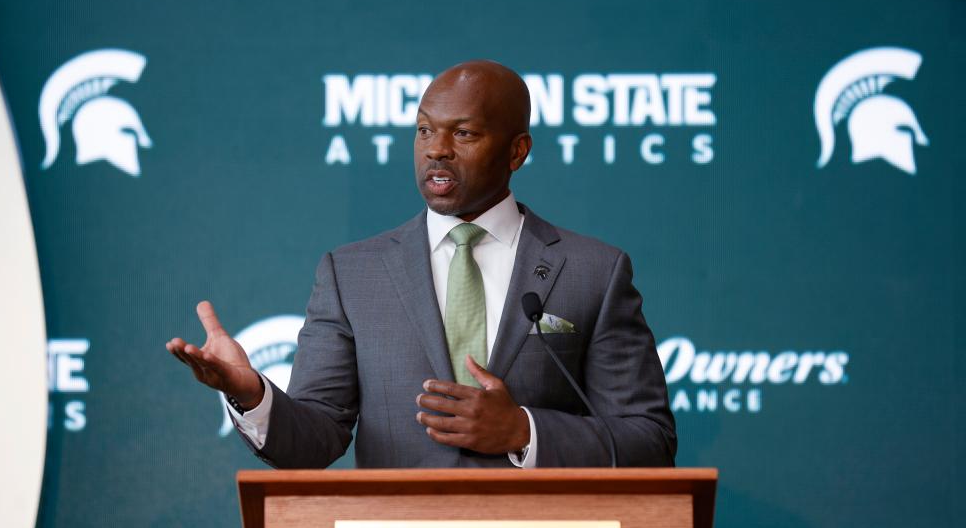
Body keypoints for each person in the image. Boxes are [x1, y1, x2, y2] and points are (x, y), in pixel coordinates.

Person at [167, 60, 676, 469]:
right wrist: (252, 395)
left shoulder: (594, 271)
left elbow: (649, 442)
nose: (437, 150)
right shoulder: (351, 275)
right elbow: (314, 439)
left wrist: (523, 431)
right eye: (425, 131)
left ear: (517, 150)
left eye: (465, 134)